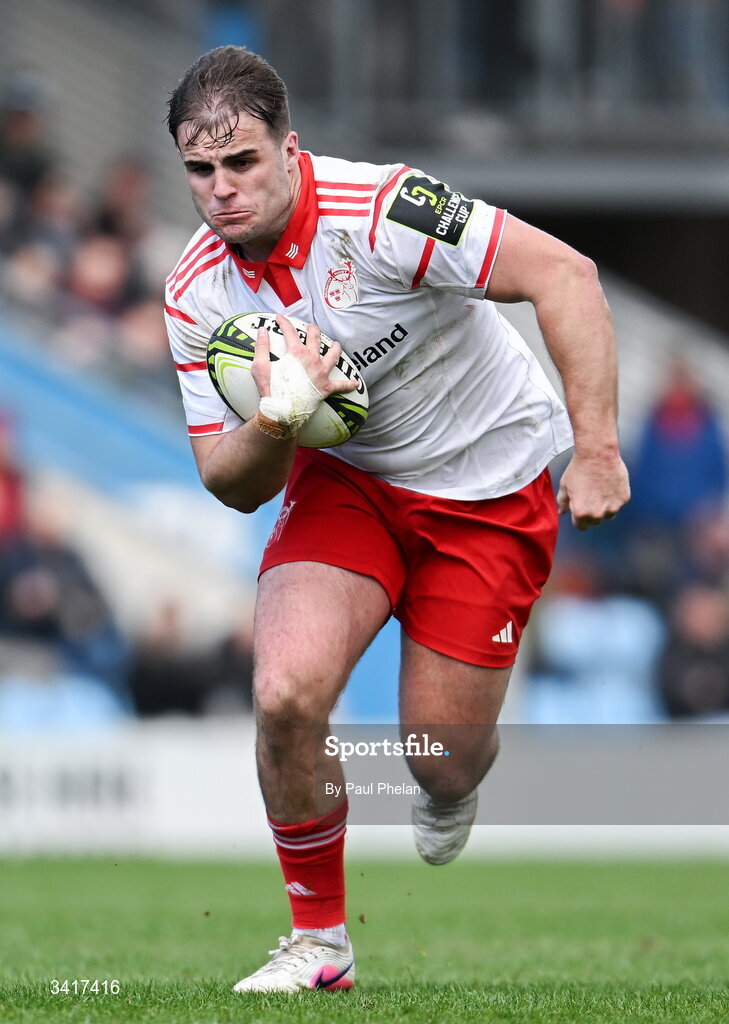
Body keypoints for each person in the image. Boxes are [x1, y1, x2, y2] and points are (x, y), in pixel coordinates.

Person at [164, 45, 630, 993]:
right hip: (352, 484)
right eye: (200, 171)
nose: (220, 191)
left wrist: (597, 449)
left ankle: (455, 785)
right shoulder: (195, 290)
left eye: (241, 163)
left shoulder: (384, 210)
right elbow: (229, 481)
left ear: (291, 151)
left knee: (441, 758)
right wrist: (278, 416)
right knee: (284, 694)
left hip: (488, 486)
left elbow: (567, 275)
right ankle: (319, 944)